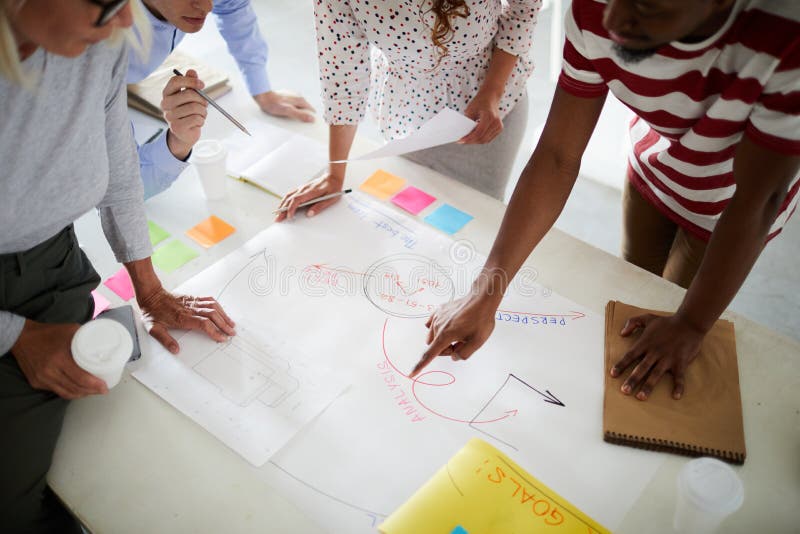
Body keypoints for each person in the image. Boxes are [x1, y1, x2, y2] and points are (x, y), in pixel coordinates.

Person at [413, 0, 799, 401]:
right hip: (652, 165)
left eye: (647, 8)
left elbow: (760, 200)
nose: (612, 21)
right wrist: (486, 289)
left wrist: (692, 324)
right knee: (632, 302)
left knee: (673, 320)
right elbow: (557, 156)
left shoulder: (785, 41)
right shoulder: (594, 10)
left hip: (728, 207)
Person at [0, 1, 236, 531]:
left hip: (56, 262)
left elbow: (120, 171)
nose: (127, 24)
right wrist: (15, 335)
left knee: (129, 449)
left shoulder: (99, 43)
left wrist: (150, 291)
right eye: (106, 2)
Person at [275, 0, 540, 220]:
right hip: (408, 117)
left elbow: (523, 9)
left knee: (474, 223)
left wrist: (492, 90)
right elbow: (344, 76)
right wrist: (335, 174)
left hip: (487, 106)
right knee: (413, 220)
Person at [131, 0, 317, 199]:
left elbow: (233, 7)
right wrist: (176, 144)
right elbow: (123, 191)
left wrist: (261, 89)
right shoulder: (100, 54)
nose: (208, 7)